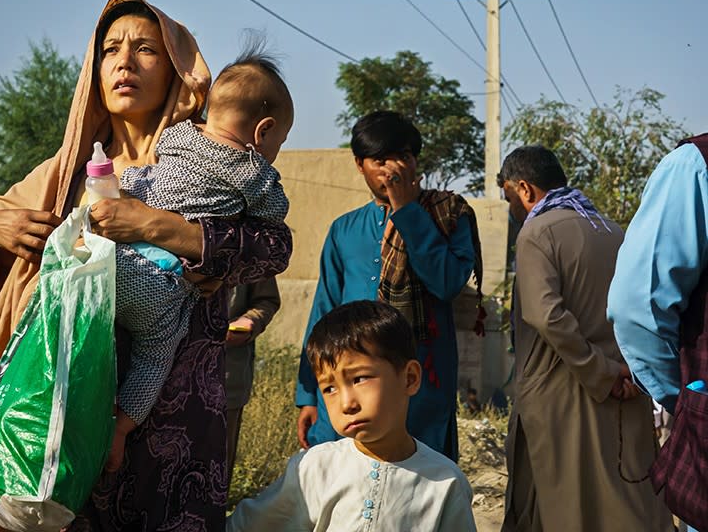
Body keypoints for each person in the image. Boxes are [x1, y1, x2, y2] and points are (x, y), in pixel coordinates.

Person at [0, 0, 292, 532]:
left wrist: (160, 227)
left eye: (145, 49)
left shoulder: (214, 159)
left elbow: (274, 248)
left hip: (174, 439)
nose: (124, 61)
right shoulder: (64, 175)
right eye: (110, 49)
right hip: (65, 425)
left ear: (177, 68)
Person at [107, 46, 292, 472]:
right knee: (156, 353)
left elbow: (149, 177)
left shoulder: (175, 136)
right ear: (263, 131)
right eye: (280, 142)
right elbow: (275, 218)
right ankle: (121, 428)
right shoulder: (250, 170)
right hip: (161, 285)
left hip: (117, 265)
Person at [497, 146, 671, 531]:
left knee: (564, 507)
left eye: (508, 196)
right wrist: (631, 374)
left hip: (563, 397)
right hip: (626, 392)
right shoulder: (614, 231)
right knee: (627, 503)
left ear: (524, 189)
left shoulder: (536, 233)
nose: (510, 208)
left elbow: (546, 315)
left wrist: (602, 373)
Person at [294, 110, 482, 461]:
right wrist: (307, 395)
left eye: (404, 157)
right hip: (348, 383)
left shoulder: (449, 216)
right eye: (381, 160)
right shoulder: (344, 230)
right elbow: (324, 311)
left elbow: (446, 283)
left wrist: (407, 211)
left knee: (421, 479)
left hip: (420, 382)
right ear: (359, 164)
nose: (392, 169)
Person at [228, 300, 476, 531]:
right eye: (330, 388)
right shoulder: (316, 468)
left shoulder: (446, 483)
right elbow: (247, 525)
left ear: (409, 378)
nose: (346, 404)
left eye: (360, 379)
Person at [608, 133, 708, 531]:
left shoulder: (693, 166)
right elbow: (639, 310)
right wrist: (687, 400)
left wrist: (681, 398)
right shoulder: (695, 166)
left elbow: (637, 308)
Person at [225, 277, 281, 481]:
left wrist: (251, 321)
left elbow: (266, 300)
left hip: (226, 377)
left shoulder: (249, 244)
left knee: (214, 479)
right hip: (158, 376)